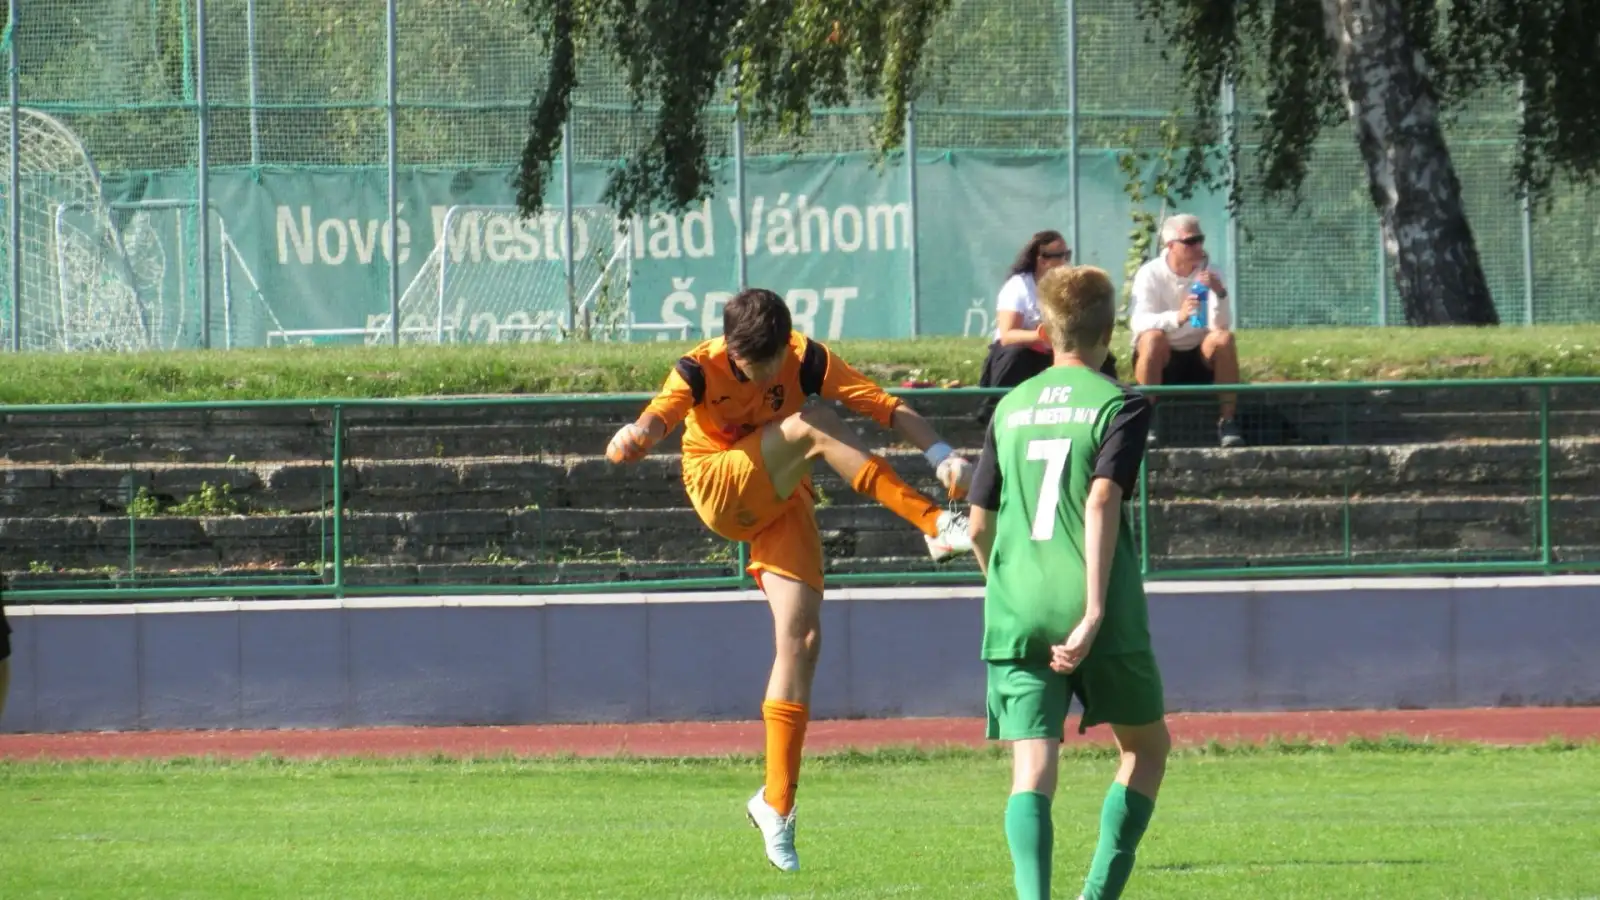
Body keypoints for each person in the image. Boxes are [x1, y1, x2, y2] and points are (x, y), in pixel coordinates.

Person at [605, 288, 976, 872]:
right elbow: (659, 415)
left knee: (801, 643)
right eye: (758, 364)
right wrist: (637, 435)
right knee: (815, 423)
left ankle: (775, 802)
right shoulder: (698, 368)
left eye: (778, 357)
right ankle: (934, 523)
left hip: (781, 494)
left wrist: (942, 453)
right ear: (731, 350)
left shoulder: (807, 357)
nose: (772, 371)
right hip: (721, 486)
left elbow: (884, 405)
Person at [967, 264, 1171, 900]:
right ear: (1109, 331)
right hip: (1097, 606)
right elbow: (1103, 496)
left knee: (1032, 770)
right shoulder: (1121, 402)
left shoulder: (1009, 408)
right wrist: (1091, 611)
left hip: (1019, 604)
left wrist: (1005, 586)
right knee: (1145, 749)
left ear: (1045, 330)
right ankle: (1097, 896)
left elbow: (978, 526)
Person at [977, 231, 1119, 427]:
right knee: (1014, 356)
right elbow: (1008, 335)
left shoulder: (1067, 285)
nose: (1065, 261)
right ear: (1041, 259)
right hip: (1025, 351)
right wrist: (1041, 336)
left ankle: (1113, 410)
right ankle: (996, 414)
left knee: (1101, 355)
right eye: (1059, 256)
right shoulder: (1018, 286)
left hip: (1056, 348)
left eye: (1066, 255)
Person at [1128, 213, 1244, 447]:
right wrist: (1177, 317)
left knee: (1223, 339)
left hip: (1199, 355)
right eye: (1190, 241)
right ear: (1170, 245)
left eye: (1200, 239)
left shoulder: (1211, 271)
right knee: (1151, 338)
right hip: (1164, 358)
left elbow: (1219, 326)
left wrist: (1220, 294)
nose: (1198, 246)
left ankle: (1228, 421)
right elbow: (1138, 322)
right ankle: (1148, 420)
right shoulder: (1150, 273)